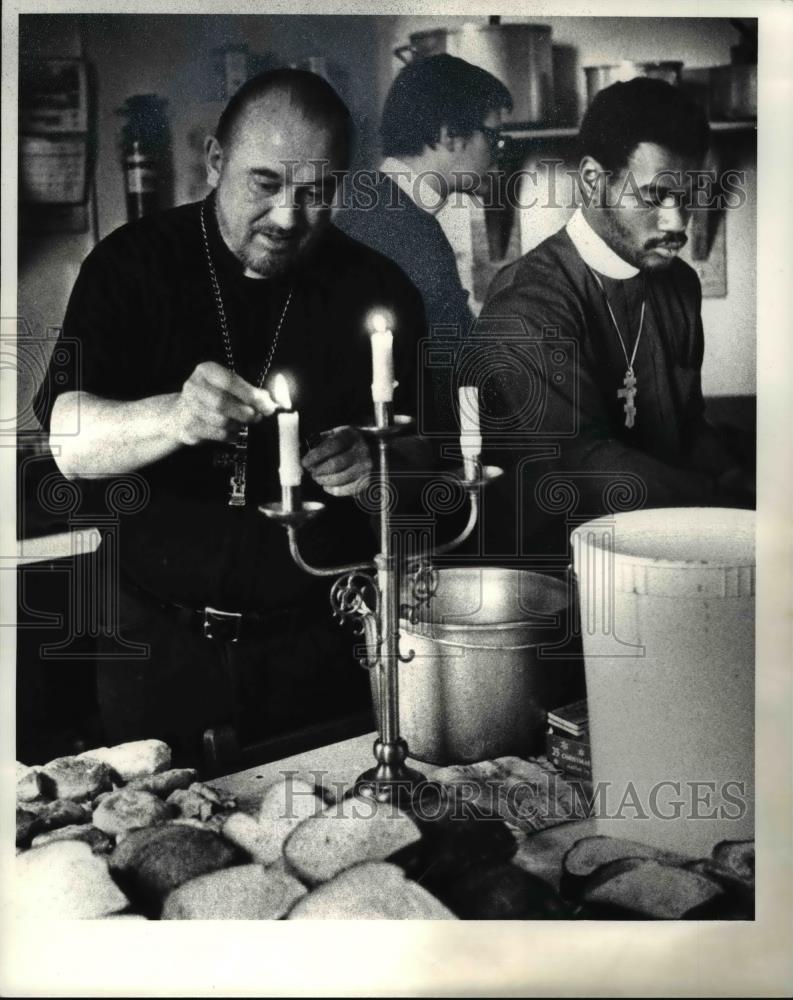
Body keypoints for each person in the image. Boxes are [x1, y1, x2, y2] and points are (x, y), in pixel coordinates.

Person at [34, 69, 428, 767]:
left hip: (323, 650)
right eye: (266, 184)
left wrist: (373, 471)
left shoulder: (376, 289)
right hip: (158, 650)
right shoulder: (131, 265)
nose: (286, 217)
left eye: (314, 193)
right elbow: (68, 443)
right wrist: (176, 418)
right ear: (217, 162)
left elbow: (424, 495)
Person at [466, 77, 754, 563]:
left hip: (666, 547)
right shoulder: (528, 302)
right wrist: (730, 506)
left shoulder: (678, 285)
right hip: (559, 571)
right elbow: (583, 466)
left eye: (689, 196)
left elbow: (688, 427)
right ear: (593, 180)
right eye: (655, 196)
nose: (677, 222)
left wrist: (739, 480)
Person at [335, 54, 512, 432]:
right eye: (494, 137)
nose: (499, 154)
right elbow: (458, 372)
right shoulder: (405, 229)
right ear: (450, 135)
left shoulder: (372, 200)